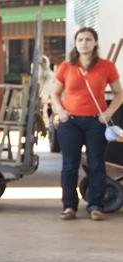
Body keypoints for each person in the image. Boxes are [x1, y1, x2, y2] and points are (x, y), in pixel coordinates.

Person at [51, 27, 123, 221]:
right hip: (70, 122)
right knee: (69, 165)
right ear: (75, 43)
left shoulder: (106, 66)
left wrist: (108, 113)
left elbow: (119, 93)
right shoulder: (66, 66)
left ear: (95, 42)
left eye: (88, 39)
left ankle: (96, 206)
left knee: (97, 164)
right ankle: (69, 206)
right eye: (80, 39)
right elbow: (54, 93)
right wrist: (61, 112)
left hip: (95, 122)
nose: (84, 42)